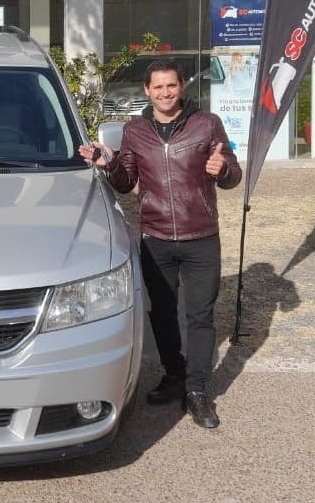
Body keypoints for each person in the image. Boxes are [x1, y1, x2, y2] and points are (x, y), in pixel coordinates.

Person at [79, 59, 241, 428]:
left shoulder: (206, 123)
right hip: (156, 238)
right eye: (158, 87)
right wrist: (108, 162)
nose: (165, 92)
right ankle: (174, 374)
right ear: (146, 90)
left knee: (200, 316)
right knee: (162, 313)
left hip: (201, 236)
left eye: (171, 85)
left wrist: (224, 170)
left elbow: (231, 174)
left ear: (181, 86)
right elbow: (125, 182)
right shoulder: (135, 130)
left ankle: (198, 391)